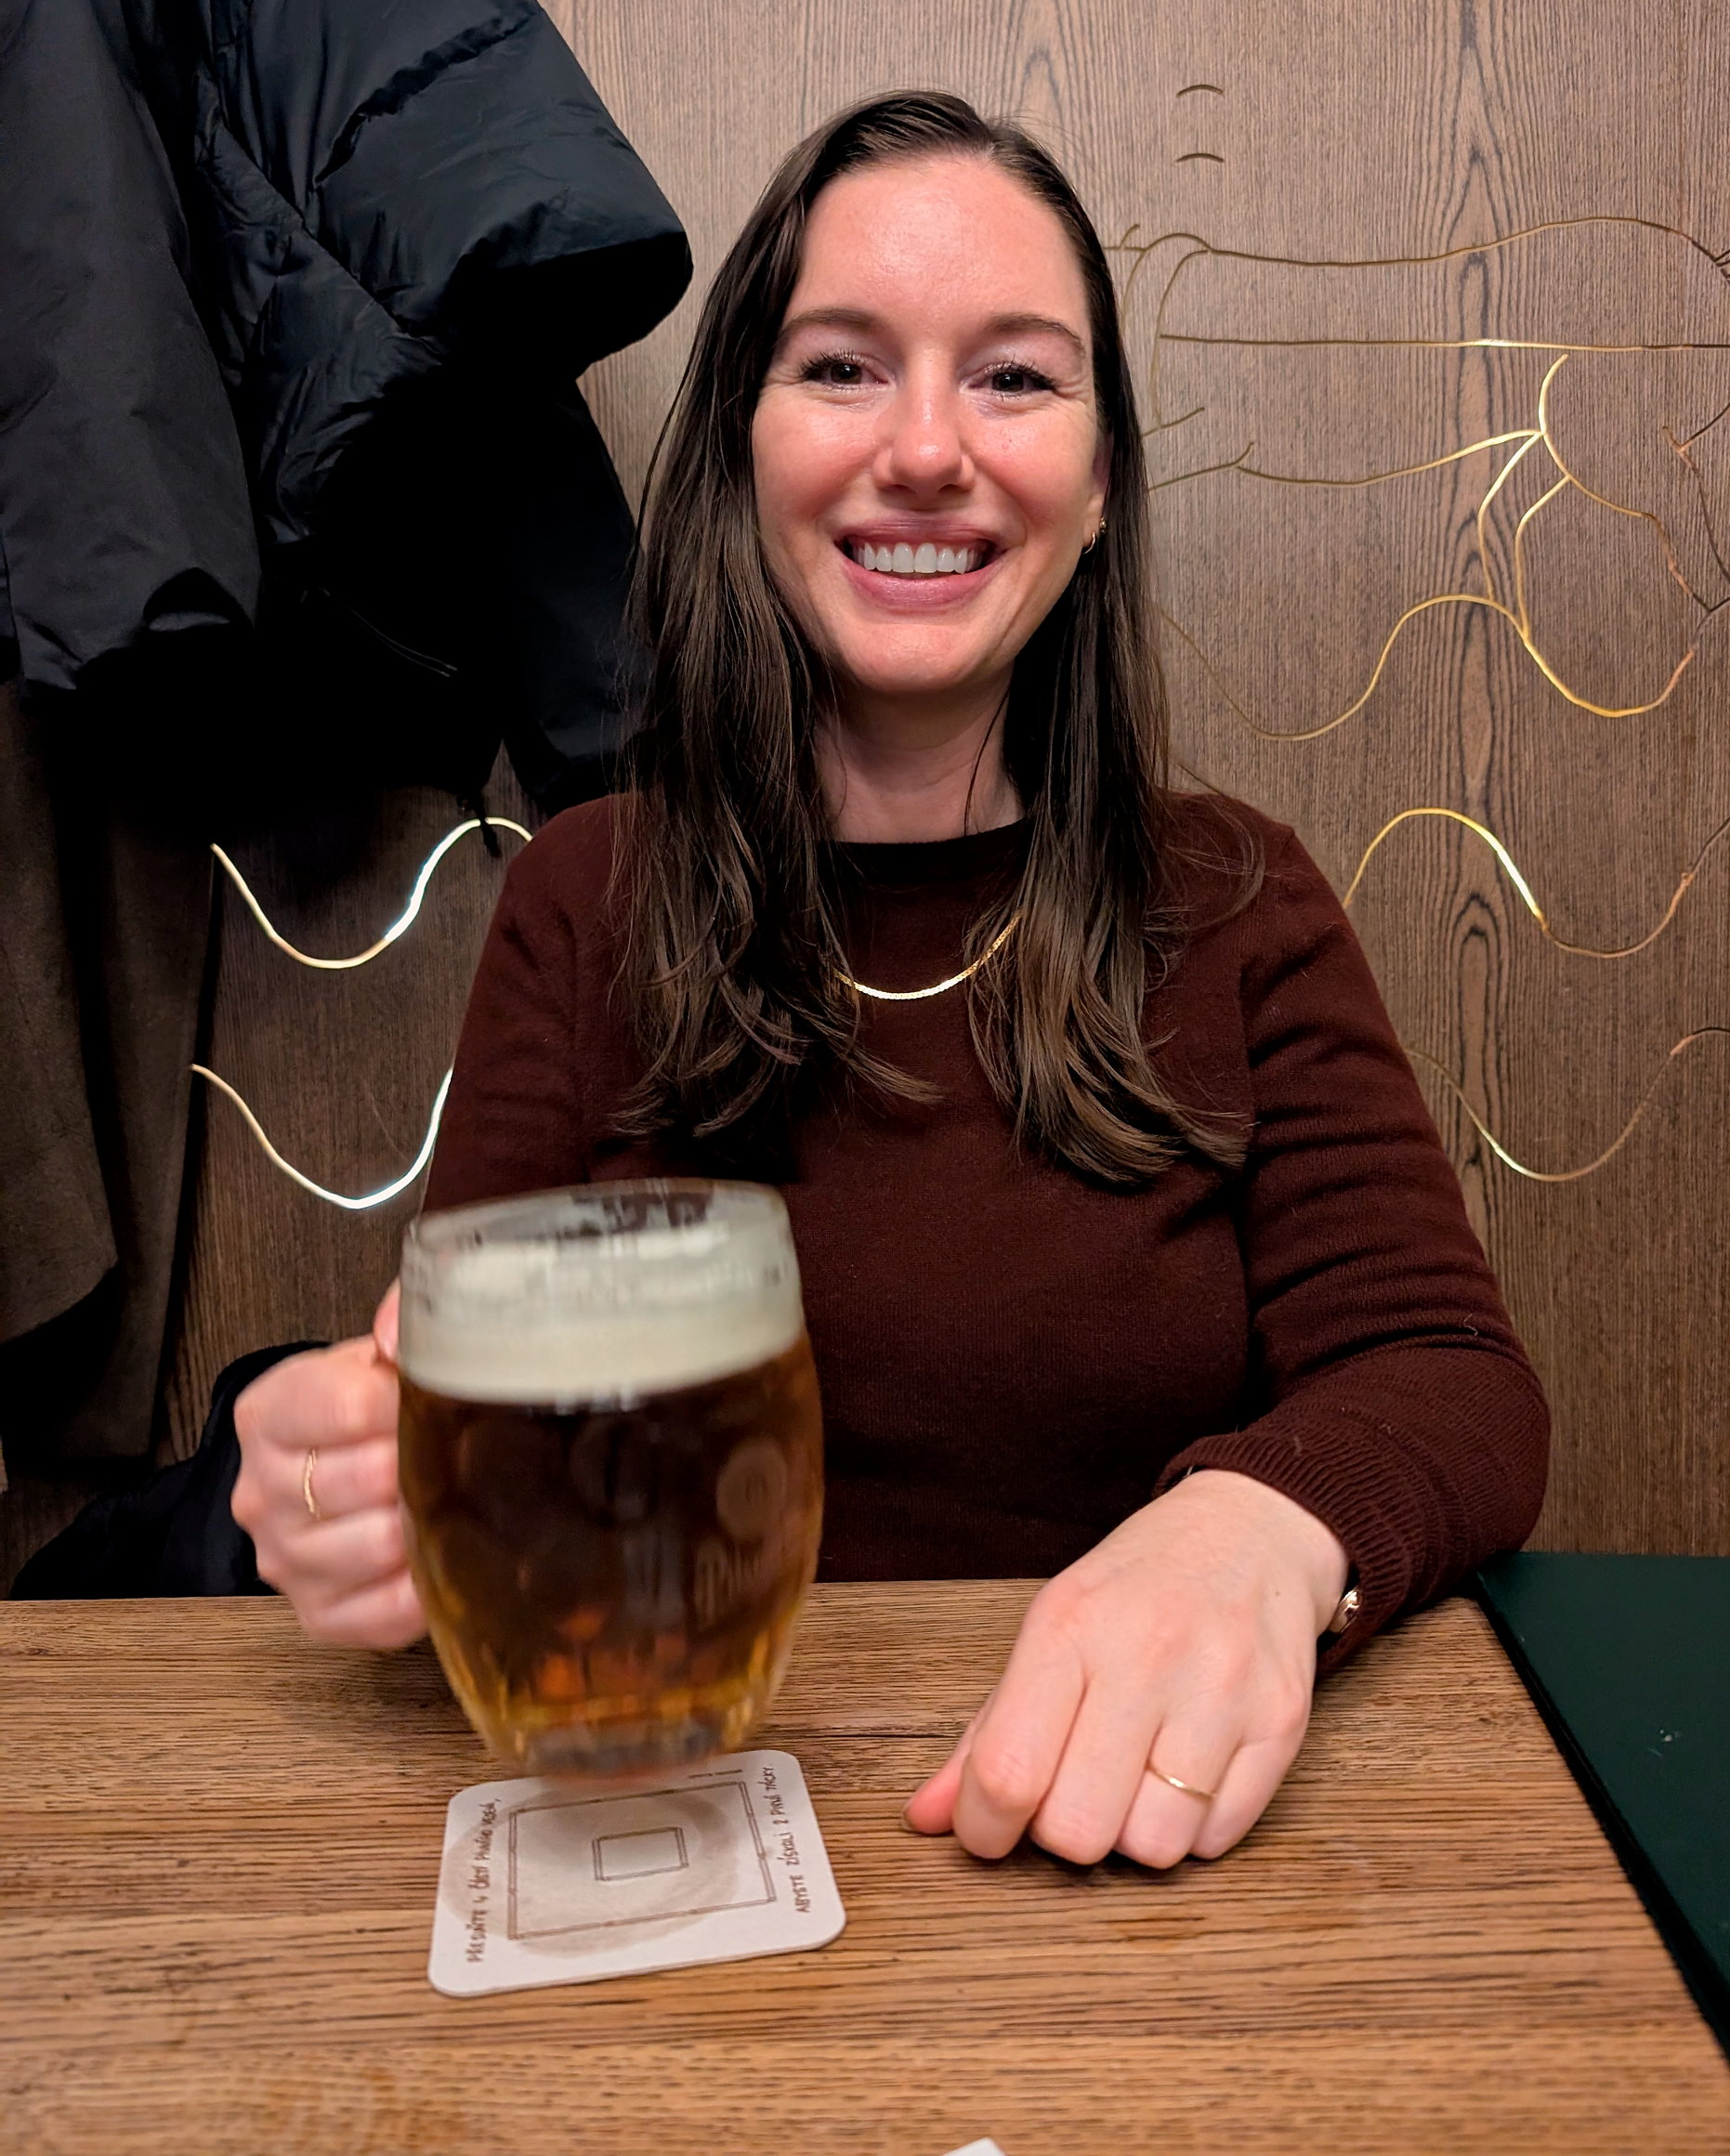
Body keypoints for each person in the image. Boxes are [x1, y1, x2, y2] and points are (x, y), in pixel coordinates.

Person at [231, 92, 1548, 1874]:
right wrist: (351, 1489)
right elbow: (448, 1435)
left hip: (1137, 1864)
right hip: (668, 1832)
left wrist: (1260, 1520)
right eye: (843, 367)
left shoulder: (1235, 896)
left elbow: (1446, 1373)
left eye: (1014, 379)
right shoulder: (584, 894)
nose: (927, 449)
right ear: (739, 453)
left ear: (1096, 487)